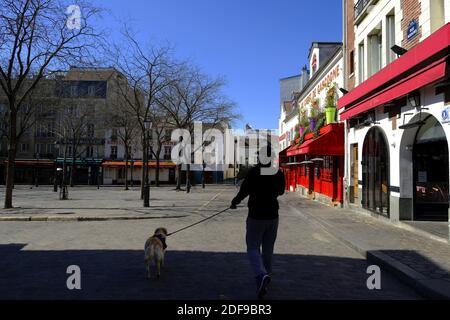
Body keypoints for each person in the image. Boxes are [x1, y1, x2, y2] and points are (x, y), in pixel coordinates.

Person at [230, 144, 285, 299]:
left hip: (256, 216)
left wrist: (234, 202)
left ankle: (261, 275)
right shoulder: (278, 173)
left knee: (253, 247)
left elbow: (244, 191)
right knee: (268, 249)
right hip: (273, 216)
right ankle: (266, 277)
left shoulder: (254, 172)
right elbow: (281, 191)